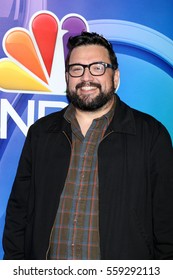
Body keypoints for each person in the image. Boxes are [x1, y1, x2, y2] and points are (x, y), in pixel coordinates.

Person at [3, 31, 173, 260]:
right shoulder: (41, 134)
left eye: (97, 67)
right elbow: (18, 213)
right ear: (67, 77)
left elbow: (166, 222)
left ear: (115, 77)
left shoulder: (151, 135)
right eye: (77, 68)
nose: (86, 77)